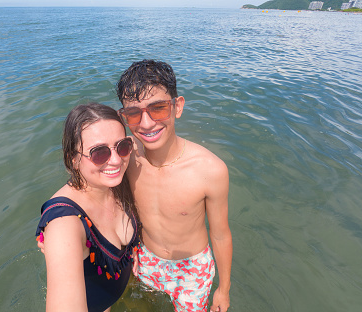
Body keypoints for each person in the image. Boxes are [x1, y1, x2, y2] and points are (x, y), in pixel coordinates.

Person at [116, 60, 233, 312]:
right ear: (123, 117)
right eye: (134, 113)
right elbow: (87, 180)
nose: (146, 124)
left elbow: (220, 234)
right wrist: (59, 218)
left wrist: (223, 290)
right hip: (145, 258)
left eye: (157, 108)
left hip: (192, 269)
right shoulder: (125, 157)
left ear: (177, 106)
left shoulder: (210, 170)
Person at [35, 103, 139, 312]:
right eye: (99, 153)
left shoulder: (116, 181)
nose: (116, 160)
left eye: (122, 146)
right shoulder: (65, 224)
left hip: (122, 287)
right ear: (73, 159)